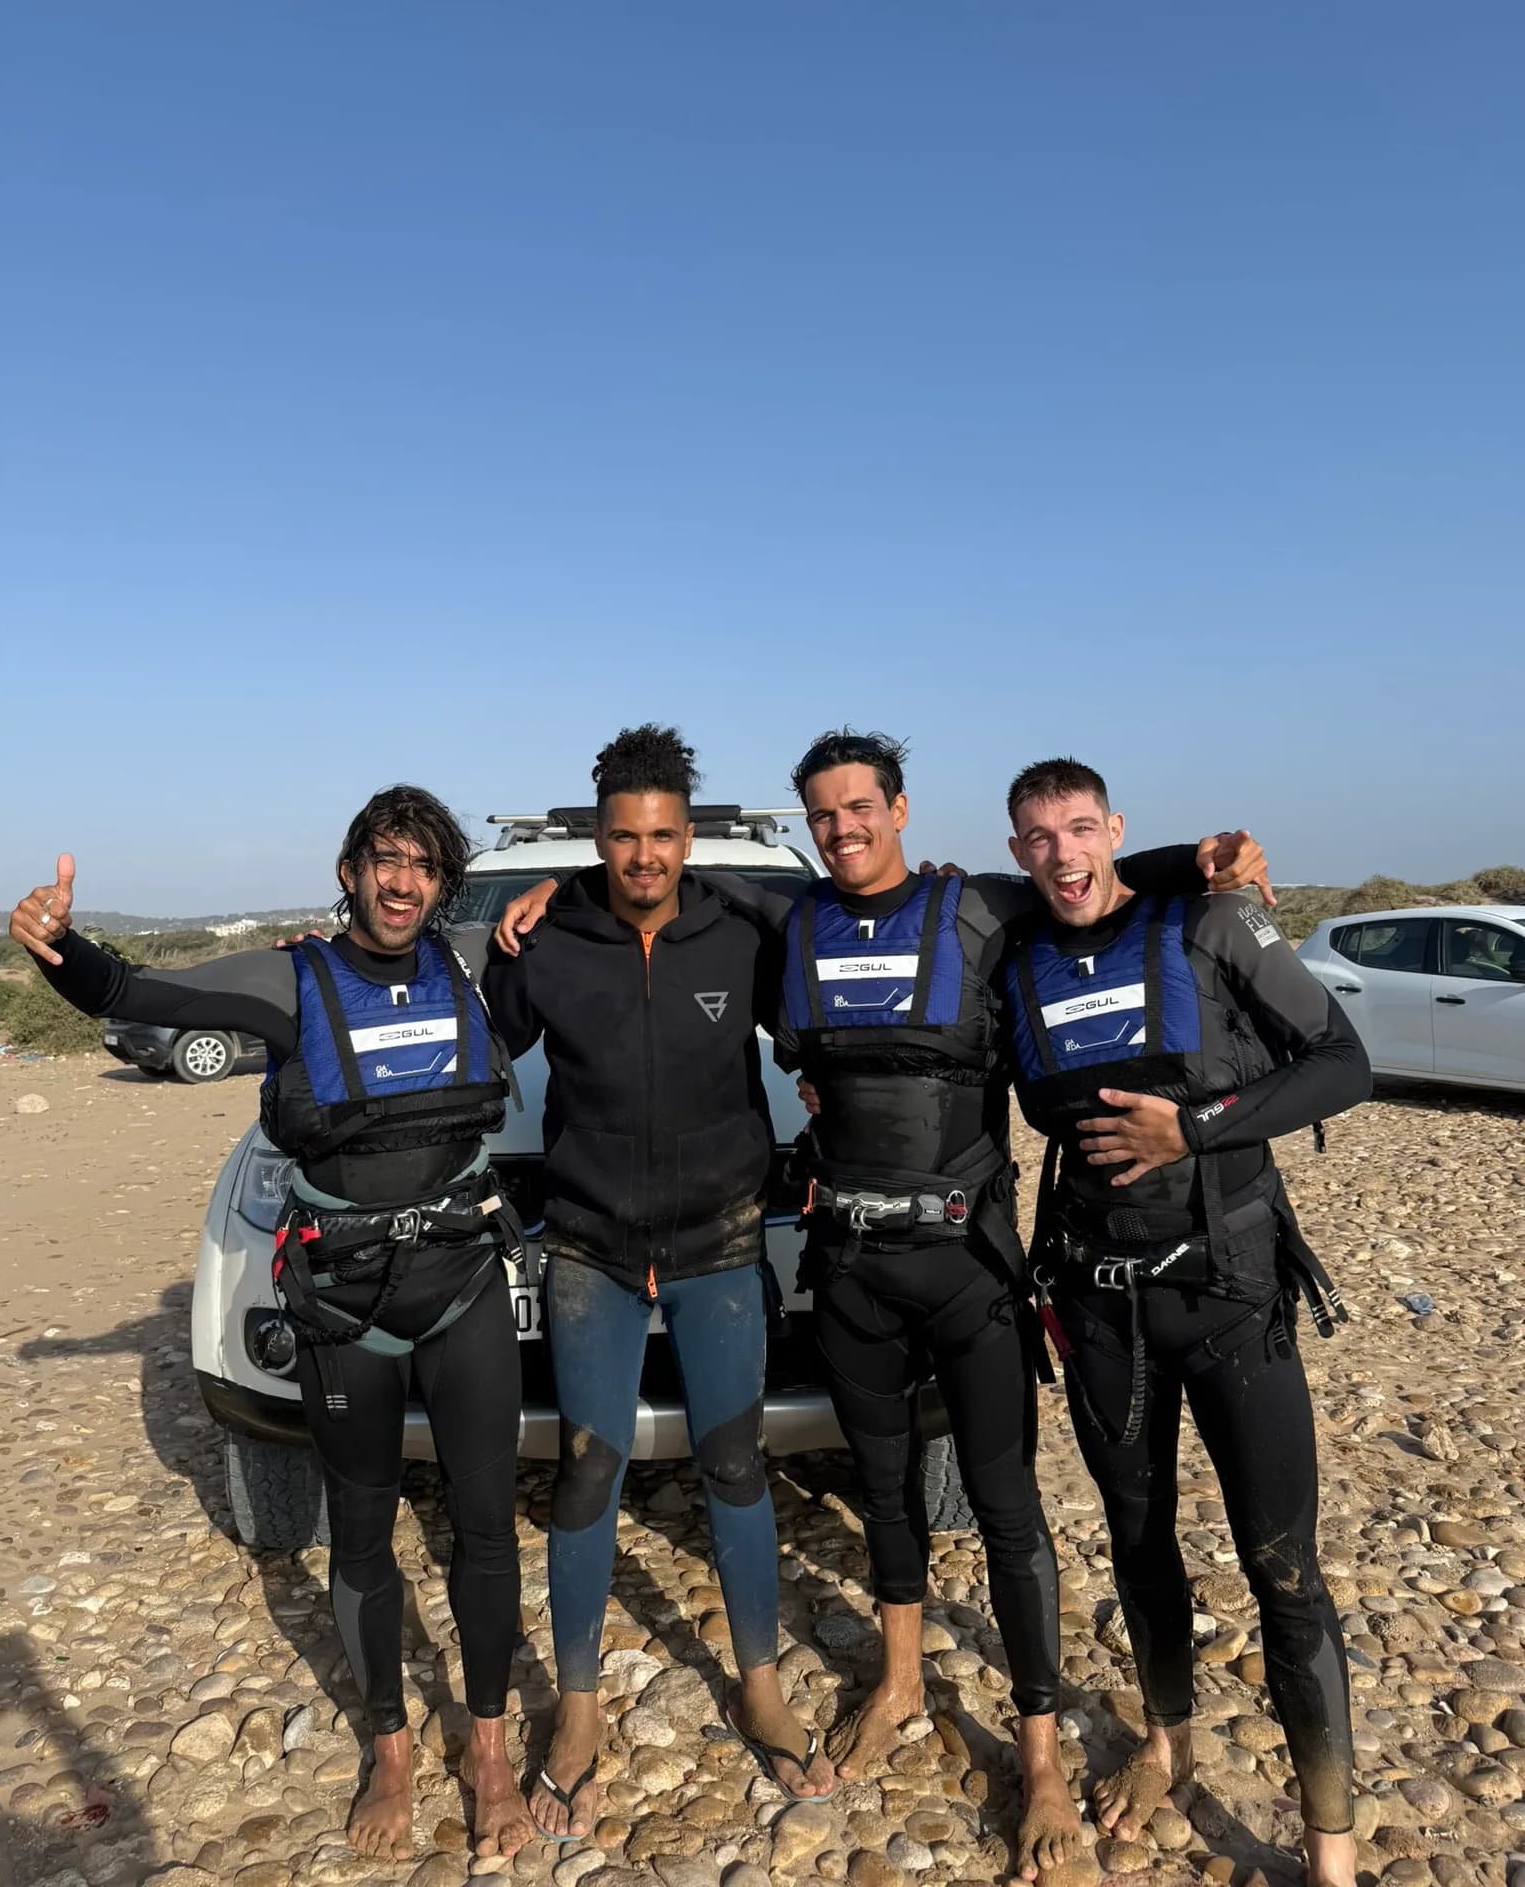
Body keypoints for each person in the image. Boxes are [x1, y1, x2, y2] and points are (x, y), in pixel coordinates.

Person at [498, 730, 1268, 1882]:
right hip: (716, 1252)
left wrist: (1191, 857)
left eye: (860, 807)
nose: (842, 827)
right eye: (825, 813)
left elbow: (1076, 880)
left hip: (881, 1251)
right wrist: (534, 893)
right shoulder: (666, 926)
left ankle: (980, 1736)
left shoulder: (891, 908)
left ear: (898, 807)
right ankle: (699, 1700)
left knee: (917, 1497)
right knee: (700, 1480)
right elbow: (479, 1024)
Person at [10, 788, 534, 1865]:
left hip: (462, 1286)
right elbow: (143, 987)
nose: (402, 881)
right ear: (350, 869)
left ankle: (487, 1747)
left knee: (487, 1527)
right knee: (359, 1530)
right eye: (384, 860)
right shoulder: (290, 979)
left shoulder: (478, 961)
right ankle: (389, 1742)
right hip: (346, 1303)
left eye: (424, 865)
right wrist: (59, 949)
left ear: (444, 881)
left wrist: (556, 889)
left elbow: (619, 906)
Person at [1000, 757, 1369, 1887]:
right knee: (1138, 1539)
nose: (1062, 853)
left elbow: (1343, 1062)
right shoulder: (1018, 953)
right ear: (1018, 852)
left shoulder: (1211, 924)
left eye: (1080, 828)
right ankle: (1166, 1740)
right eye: (1038, 838)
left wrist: (1194, 1127)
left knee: (1282, 1566)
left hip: (1228, 1291)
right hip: (1102, 1302)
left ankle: (1332, 1846)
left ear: (1115, 827)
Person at [481, 725, 834, 1840]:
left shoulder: (743, 926)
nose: (646, 855)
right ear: (601, 836)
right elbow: (468, 1039)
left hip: (721, 1241)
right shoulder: (546, 936)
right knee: (586, 1471)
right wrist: (358, 953)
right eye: (626, 837)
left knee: (735, 1462)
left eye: (664, 835)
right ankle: (578, 1712)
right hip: (588, 1244)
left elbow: (842, 1009)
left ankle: (761, 1684)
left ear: (689, 833)